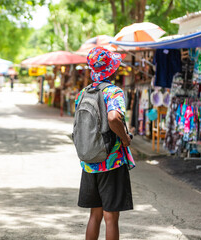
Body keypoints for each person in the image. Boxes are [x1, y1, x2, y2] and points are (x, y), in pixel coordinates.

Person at [76, 47, 135, 240]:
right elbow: (112, 117)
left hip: (89, 160)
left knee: (95, 215)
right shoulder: (113, 92)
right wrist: (125, 139)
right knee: (111, 218)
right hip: (111, 161)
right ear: (112, 70)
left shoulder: (83, 93)